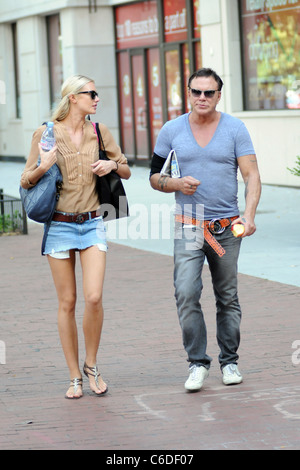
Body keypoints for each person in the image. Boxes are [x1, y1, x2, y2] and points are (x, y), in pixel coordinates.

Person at [150, 68, 261, 391]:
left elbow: (252, 175)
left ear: (218, 96)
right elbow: (155, 177)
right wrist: (175, 183)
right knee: (186, 292)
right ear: (188, 93)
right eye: (196, 92)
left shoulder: (235, 129)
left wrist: (249, 216)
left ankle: (230, 362)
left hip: (227, 227)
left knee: (227, 296)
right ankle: (197, 363)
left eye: (208, 93)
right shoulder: (172, 130)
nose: (202, 98)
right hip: (188, 226)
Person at [20, 74, 131, 399]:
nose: (96, 98)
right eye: (91, 93)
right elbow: (25, 180)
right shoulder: (46, 133)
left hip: (93, 221)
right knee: (67, 302)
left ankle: (91, 365)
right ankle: (73, 377)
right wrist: (43, 166)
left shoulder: (99, 131)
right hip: (59, 225)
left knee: (94, 297)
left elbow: (125, 168)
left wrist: (110, 165)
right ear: (73, 98)